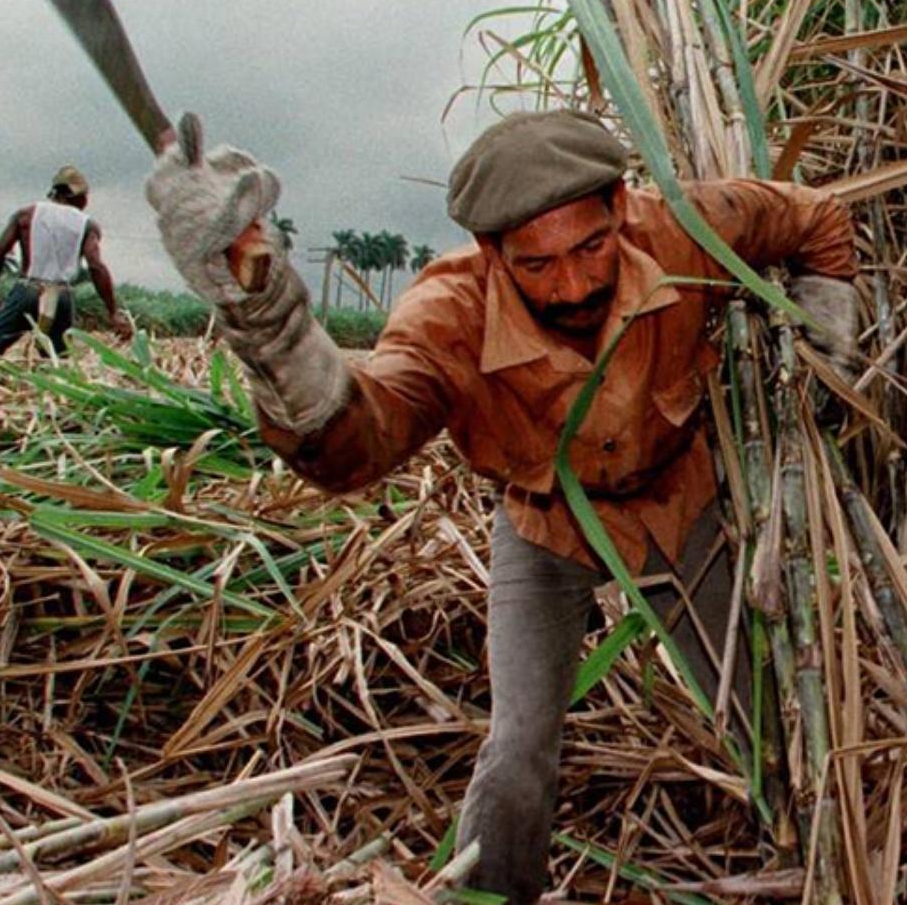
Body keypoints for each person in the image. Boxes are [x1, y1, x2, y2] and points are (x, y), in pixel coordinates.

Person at [145, 110, 860, 904]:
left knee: (757, 711)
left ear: (619, 206)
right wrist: (264, 317)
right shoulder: (448, 316)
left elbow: (816, 216)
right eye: (538, 265)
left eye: (590, 247)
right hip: (545, 526)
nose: (576, 285)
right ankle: (493, 890)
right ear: (491, 253)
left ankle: (822, 865)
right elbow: (353, 448)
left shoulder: (685, 229)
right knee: (520, 745)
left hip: (678, 503)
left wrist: (828, 322)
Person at [0, 165, 132, 355]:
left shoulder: (26, 215)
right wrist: (112, 311)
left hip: (28, 291)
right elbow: (96, 266)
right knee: (56, 359)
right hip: (61, 297)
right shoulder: (87, 224)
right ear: (80, 197)